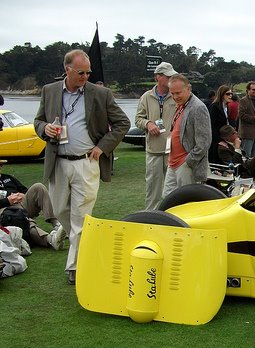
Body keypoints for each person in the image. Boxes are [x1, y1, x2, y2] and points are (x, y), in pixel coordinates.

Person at [34, 49, 130, 285]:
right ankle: (74, 236)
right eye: (81, 72)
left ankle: (75, 266)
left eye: (88, 72)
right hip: (58, 162)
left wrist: (102, 147)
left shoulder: (101, 94)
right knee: (60, 211)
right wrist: (44, 128)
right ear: (67, 69)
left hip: (87, 163)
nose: (85, 76)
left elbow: (122, 123)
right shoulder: (49, 91)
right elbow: (38, 121)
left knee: (81, 216)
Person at [135, 61, 177, 210]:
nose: (171, 79)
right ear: (157, 77)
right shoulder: (146, 97)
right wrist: (148, 124)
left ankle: (173, 218)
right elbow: (138, 119)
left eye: (172, 76)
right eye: (167, 76)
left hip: (174, 151)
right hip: (154, 151)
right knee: (152, 191)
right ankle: (151, 219)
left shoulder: (176, 96)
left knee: (173, 191)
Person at [162, 74, 212, 197]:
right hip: (172, 164)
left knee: (187, 203)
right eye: (172, 94)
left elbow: (204, 142)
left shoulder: (198, 107)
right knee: (167, 200)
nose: (175, 97)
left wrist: (188, 162)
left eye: (178, 93)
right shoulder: (181, 105)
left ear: (189, 89)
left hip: (186, 166)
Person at [0, 159, 65, 249]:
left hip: (20, 204)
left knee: (38, 187)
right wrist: (7, 201)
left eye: (1, 164)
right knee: (19, 217)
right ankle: (50, 240)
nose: (1, 166)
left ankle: (56, 224)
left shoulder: (8, 177)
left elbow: (24, 190)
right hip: (4, 211)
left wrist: (21, 195)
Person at [207, 85, 233, 164]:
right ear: (222, 95)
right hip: (215, 141)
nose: (230, 96)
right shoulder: (214, 107)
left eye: (231, 94)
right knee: (215, 162)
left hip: (223, 139)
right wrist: (219, 140)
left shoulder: (226, 107)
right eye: (228, 94)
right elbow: (211, 126)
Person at [238, 81, 255, 158]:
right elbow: (241, 115)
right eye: (253, 89)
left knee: (254, 156)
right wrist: (254, 118)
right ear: (248, 90)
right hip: (247, 133)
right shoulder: (243, 101)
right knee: (246, 156)